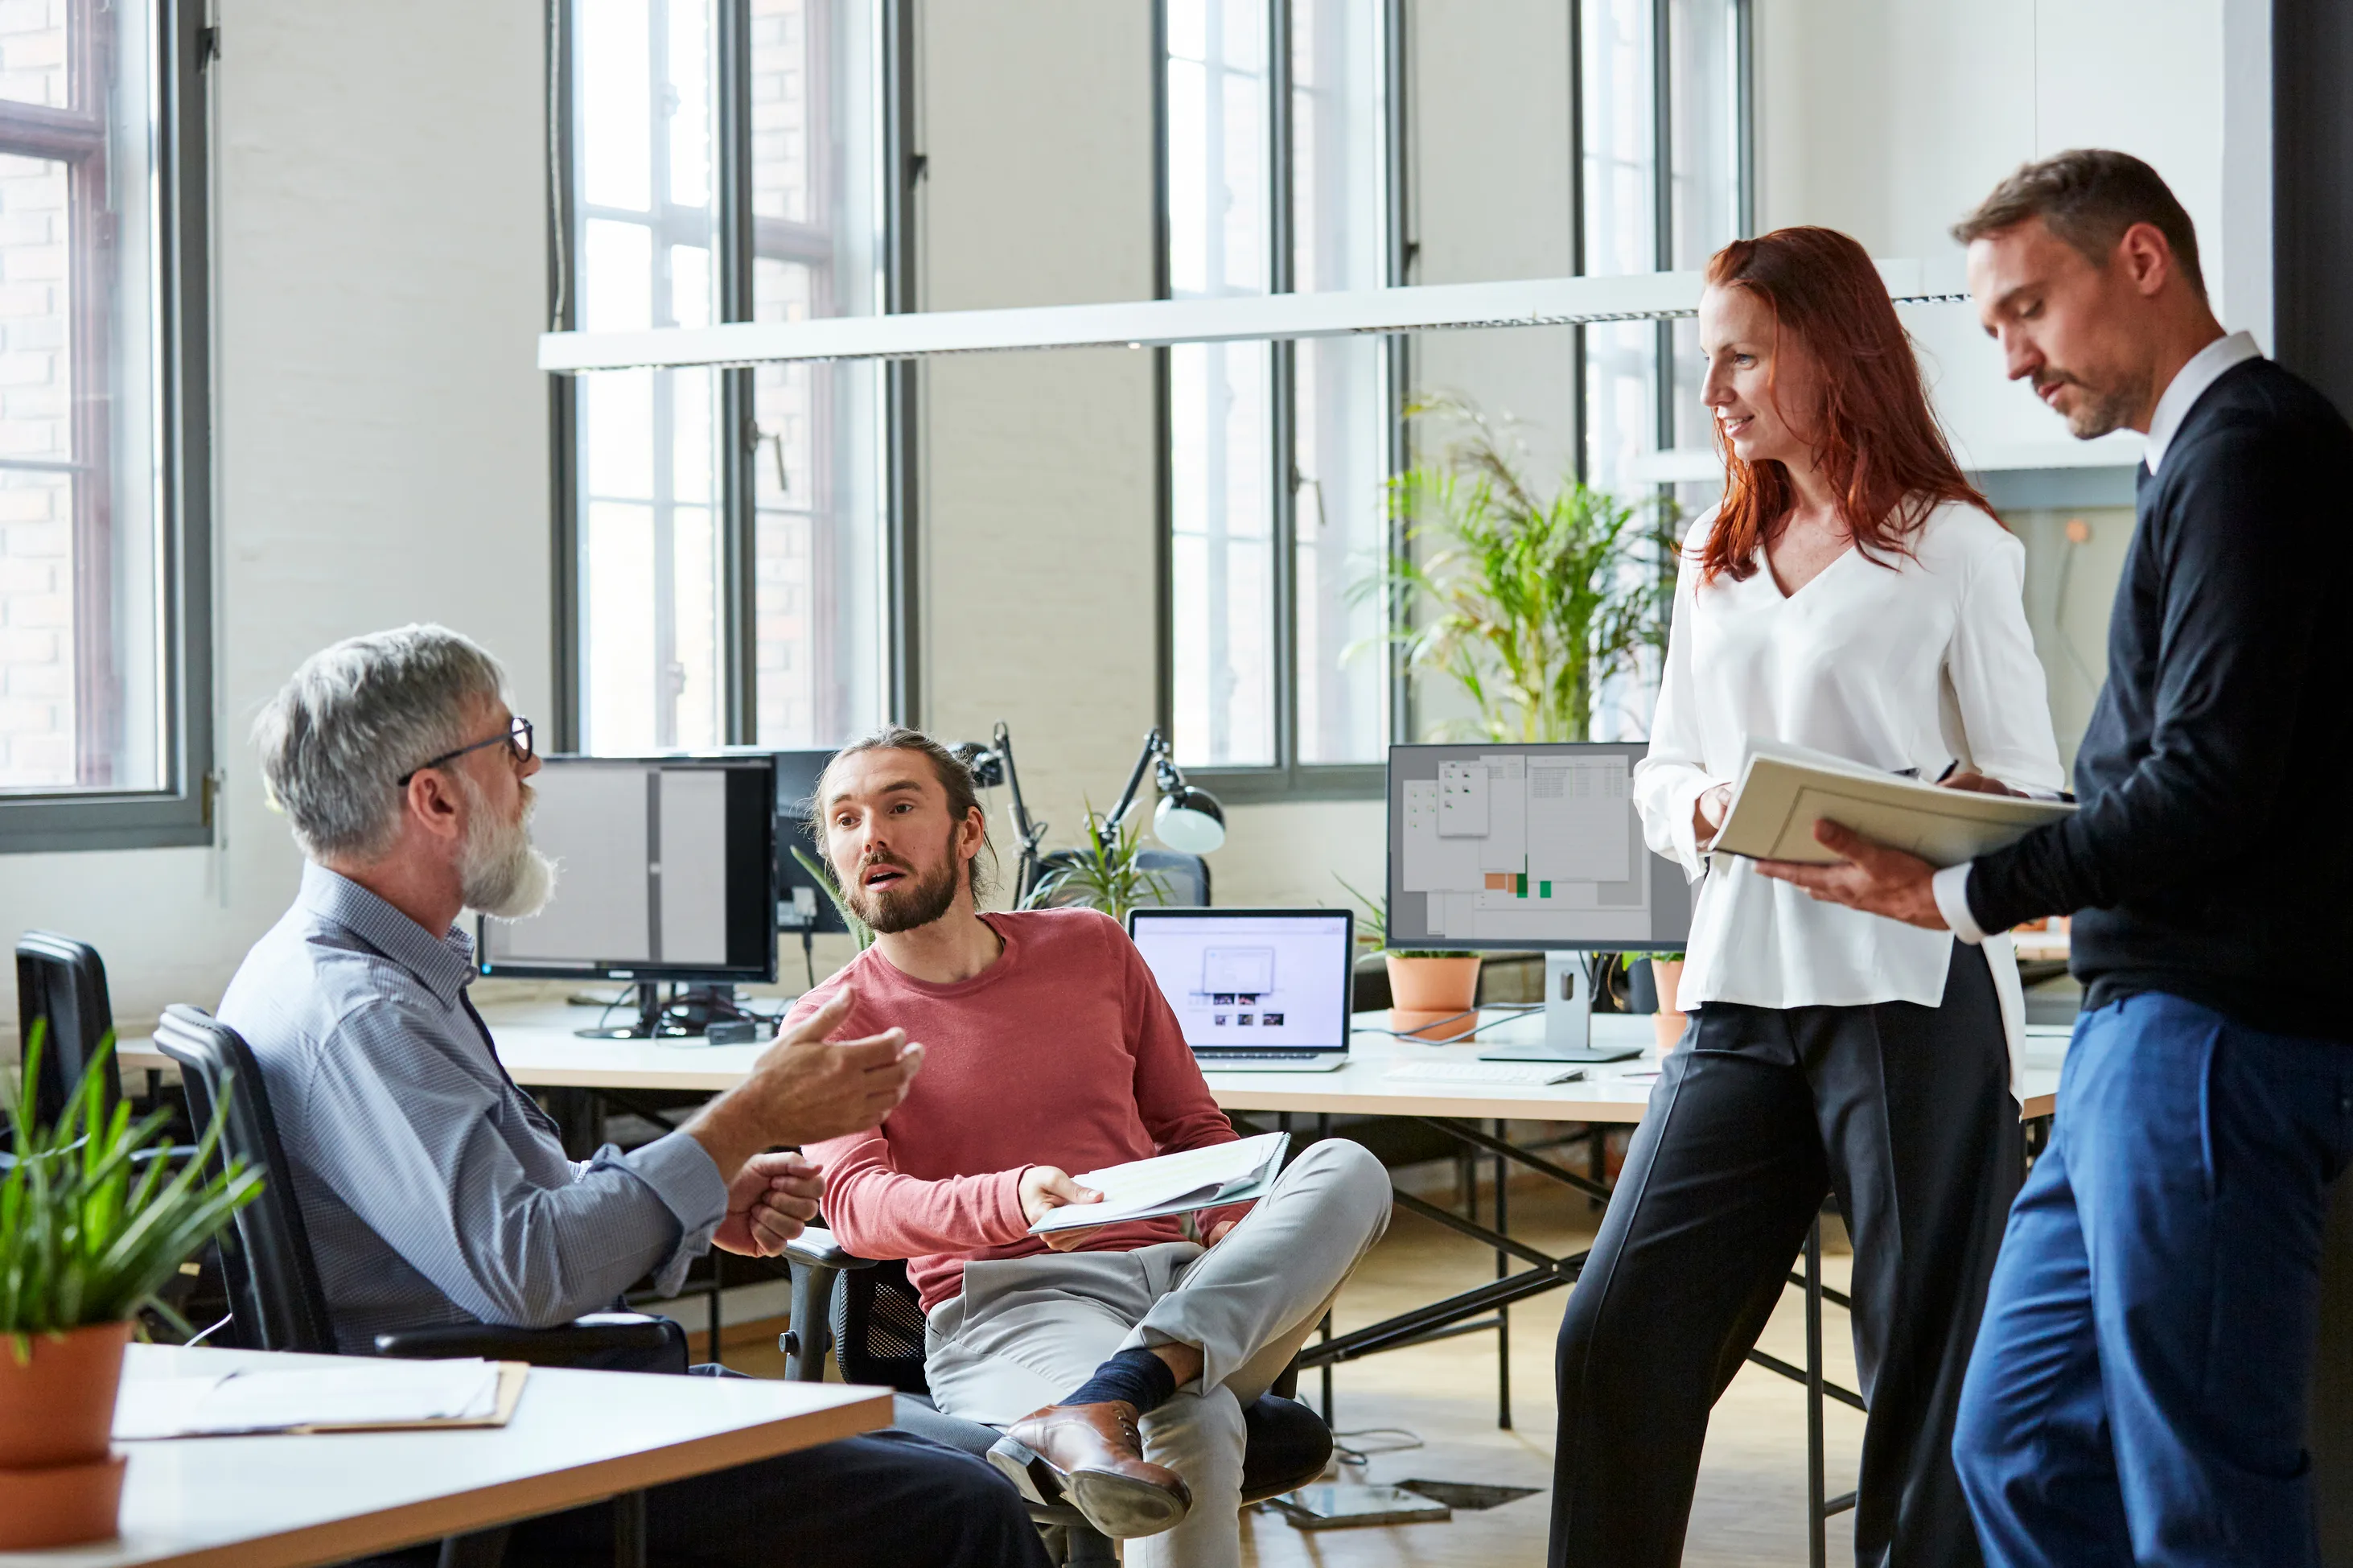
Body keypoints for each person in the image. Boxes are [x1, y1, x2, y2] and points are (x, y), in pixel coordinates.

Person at [1756, 150, 2353, 1568]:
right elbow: (2190, 771)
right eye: (1993, 329)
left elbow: (2211, 780)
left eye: (2029, 310)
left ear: (2141, 260)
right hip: (2130, 1040)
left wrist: (1958, 884)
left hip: (2215, 1040)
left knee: (2201, 1478)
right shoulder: (2201, 463)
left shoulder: (2254, 451)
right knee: (2013, 1439)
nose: (2014, 359)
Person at [220, 625, 1048, 1568]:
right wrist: (747, 1118)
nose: (532, 778)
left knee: (970, 1454)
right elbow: (527, 1267)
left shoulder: (340, 971)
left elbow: (484, 1208)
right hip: (512, 1443)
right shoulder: (366, 1013)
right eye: (511, 746)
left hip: (527, 1404)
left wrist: (699, 1193)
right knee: (965, 1507)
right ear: (437, 796)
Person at [1548, 227, 2066, 1568]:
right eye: (1704, 359)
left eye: (1741, 355)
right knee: (1617, 1331)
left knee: (1922, 1361)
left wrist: (1922, 808)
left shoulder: (1950, 544)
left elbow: (2028, 778)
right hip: (1738, 984)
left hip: (1906, 990)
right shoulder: (1715, 553)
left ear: (1830, 353)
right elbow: (1661, 768)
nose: (1714, 388)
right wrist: (1710, 808)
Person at [747, 726, 1391, 1568]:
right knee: (1187, 1417)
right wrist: (1012, 1198)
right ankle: (1134, 1389)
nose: (871, 835)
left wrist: (1227, 1218)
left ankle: (1118, 1388)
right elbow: (859, 1208)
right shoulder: (832, 1021)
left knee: (1350, 1167)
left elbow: (1193, 1128)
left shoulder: (1090, 945)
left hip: (1182, 1278)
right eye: (844, 819)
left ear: (968, 831)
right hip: (1014, 1303)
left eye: (900, 806)